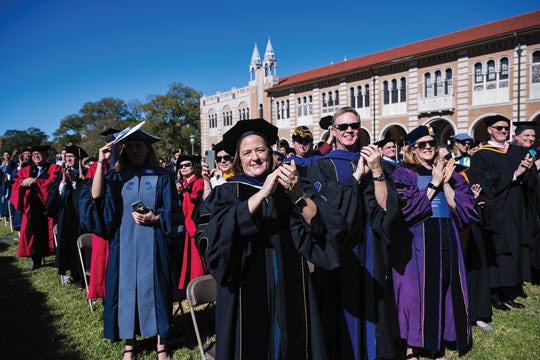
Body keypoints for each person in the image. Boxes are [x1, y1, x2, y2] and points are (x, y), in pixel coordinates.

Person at [200, 118, 346, 359]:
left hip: (289, 281)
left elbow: (322, 227)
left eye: (260, 150)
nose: (255, 157)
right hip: (243, 286)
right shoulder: (226, 191)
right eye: (247, 152)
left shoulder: (291, 184)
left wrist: (296, 193)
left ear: (271, 152)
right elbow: (213, 238)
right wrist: (263, 193)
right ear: (239, 158)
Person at [79, 127, 181, 360]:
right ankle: (129, 345)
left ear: (148, 148)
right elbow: (95, 197)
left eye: (140, 145)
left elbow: (173, 212)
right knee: (124, 291)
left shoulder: (162, 176)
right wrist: (101, 163)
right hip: (122, 244)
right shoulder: (116, 176)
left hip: (154, 242)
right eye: (131, 146)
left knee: (156, 290)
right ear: (123, 149)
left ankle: (161, 344)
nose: (136, 150)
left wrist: (157, 218)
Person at [307, 107, 401, 360]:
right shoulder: (322, 166)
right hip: (342, 248)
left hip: (371, 244)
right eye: (344, 127)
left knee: (374, 301)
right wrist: (358, 176)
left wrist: (377, 171)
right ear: (333, 131)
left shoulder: (373, 161)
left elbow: (387, 210)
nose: (350, 131)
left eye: (354, 126)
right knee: (341, 310)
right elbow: (330, 209)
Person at [391, 125, 478, 359]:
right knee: (413, 293)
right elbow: (406, 211)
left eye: (431, 143)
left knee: (444, 286)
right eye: (422, 144)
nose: (428, 147)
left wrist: (445, 181)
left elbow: (461, 209)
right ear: (412, 149)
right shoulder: (404, 173)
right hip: (417, 240)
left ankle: (436, 341)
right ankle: (411, 346)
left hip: (445, 234)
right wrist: (433, 183)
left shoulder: (450, 172)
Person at [469, 115, 536, 310]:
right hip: (496, 208)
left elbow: (526, 180)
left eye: (506, 128)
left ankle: (508, 291)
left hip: (515, 207)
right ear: (489, 130)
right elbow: (485, 182)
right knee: (497, 250)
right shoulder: (482, 155)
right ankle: (493, 293)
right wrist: (515, 174)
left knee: (513, 247)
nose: (504, 131)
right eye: (499, 128)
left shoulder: (515, 151)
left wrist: (528, 171)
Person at [11, 145, 62, 270]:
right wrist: (24, 182)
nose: (36, 157)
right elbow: (16, 182)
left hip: (50, 205)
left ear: (46, 155)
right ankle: (36, 258)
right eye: (34, 155)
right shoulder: (26, 170)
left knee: (50, 230)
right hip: (33, 206)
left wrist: (36, 182)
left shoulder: (54, 168)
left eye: (39, 154)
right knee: (33, 231)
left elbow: (54, 183)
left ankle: (55, 255)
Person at [46, 145, 89, 289]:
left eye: (71, 156)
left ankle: (86, 274)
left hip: (82, 216)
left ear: (79, 158)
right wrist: (64, 182)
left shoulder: (87, 174)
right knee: (70, 247)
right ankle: (77, 278)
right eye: (66, 156)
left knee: (84, 248)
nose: (68, 158)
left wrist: (75, 182)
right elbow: (56, 198)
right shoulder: (61, 175)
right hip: (67, 217)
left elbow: (87, 196)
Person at [85, 128, 119, 300]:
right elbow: (95, 195)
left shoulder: (128, 165)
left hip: (122, 223)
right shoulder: (96, 167)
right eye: (110, 145)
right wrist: (101, 163)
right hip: (104, 225)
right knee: (102, 263)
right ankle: (106, 296)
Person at [511, 121, 540, 285]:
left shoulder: (531, 152)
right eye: (526, 135)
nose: (531, 138)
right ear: (517, 137)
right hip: (517, 200)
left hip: (531, 200)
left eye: (533, 136)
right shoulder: (513, 152)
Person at [175, 154, 206, 290]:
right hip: (183, 225)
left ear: (194, 167)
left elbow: (197, 202)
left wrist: (184, 194)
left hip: (194, 224)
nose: (184, 168)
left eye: (187, 165)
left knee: (196, 257)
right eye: (181, 166)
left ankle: (199, 285)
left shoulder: (199, 182)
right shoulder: (181, 184)